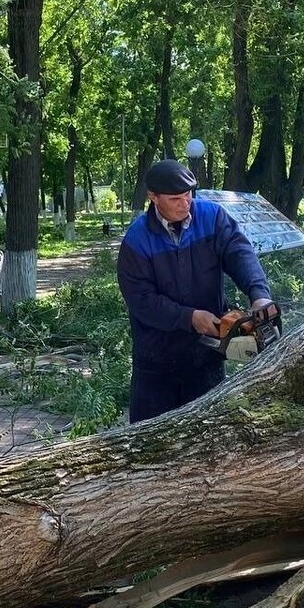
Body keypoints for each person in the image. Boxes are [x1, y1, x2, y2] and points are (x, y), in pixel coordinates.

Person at [117, 159, 273, 423]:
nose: (185, 203)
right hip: (157, 362)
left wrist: (258, 293)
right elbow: (142, 301)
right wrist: (189, 318)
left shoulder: (212, 218)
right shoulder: (137, 240)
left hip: (206, 358)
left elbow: (239, 253)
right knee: (150, 442)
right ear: (153, 197)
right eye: (175, 198)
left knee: (208, 435)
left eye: (188, 194)